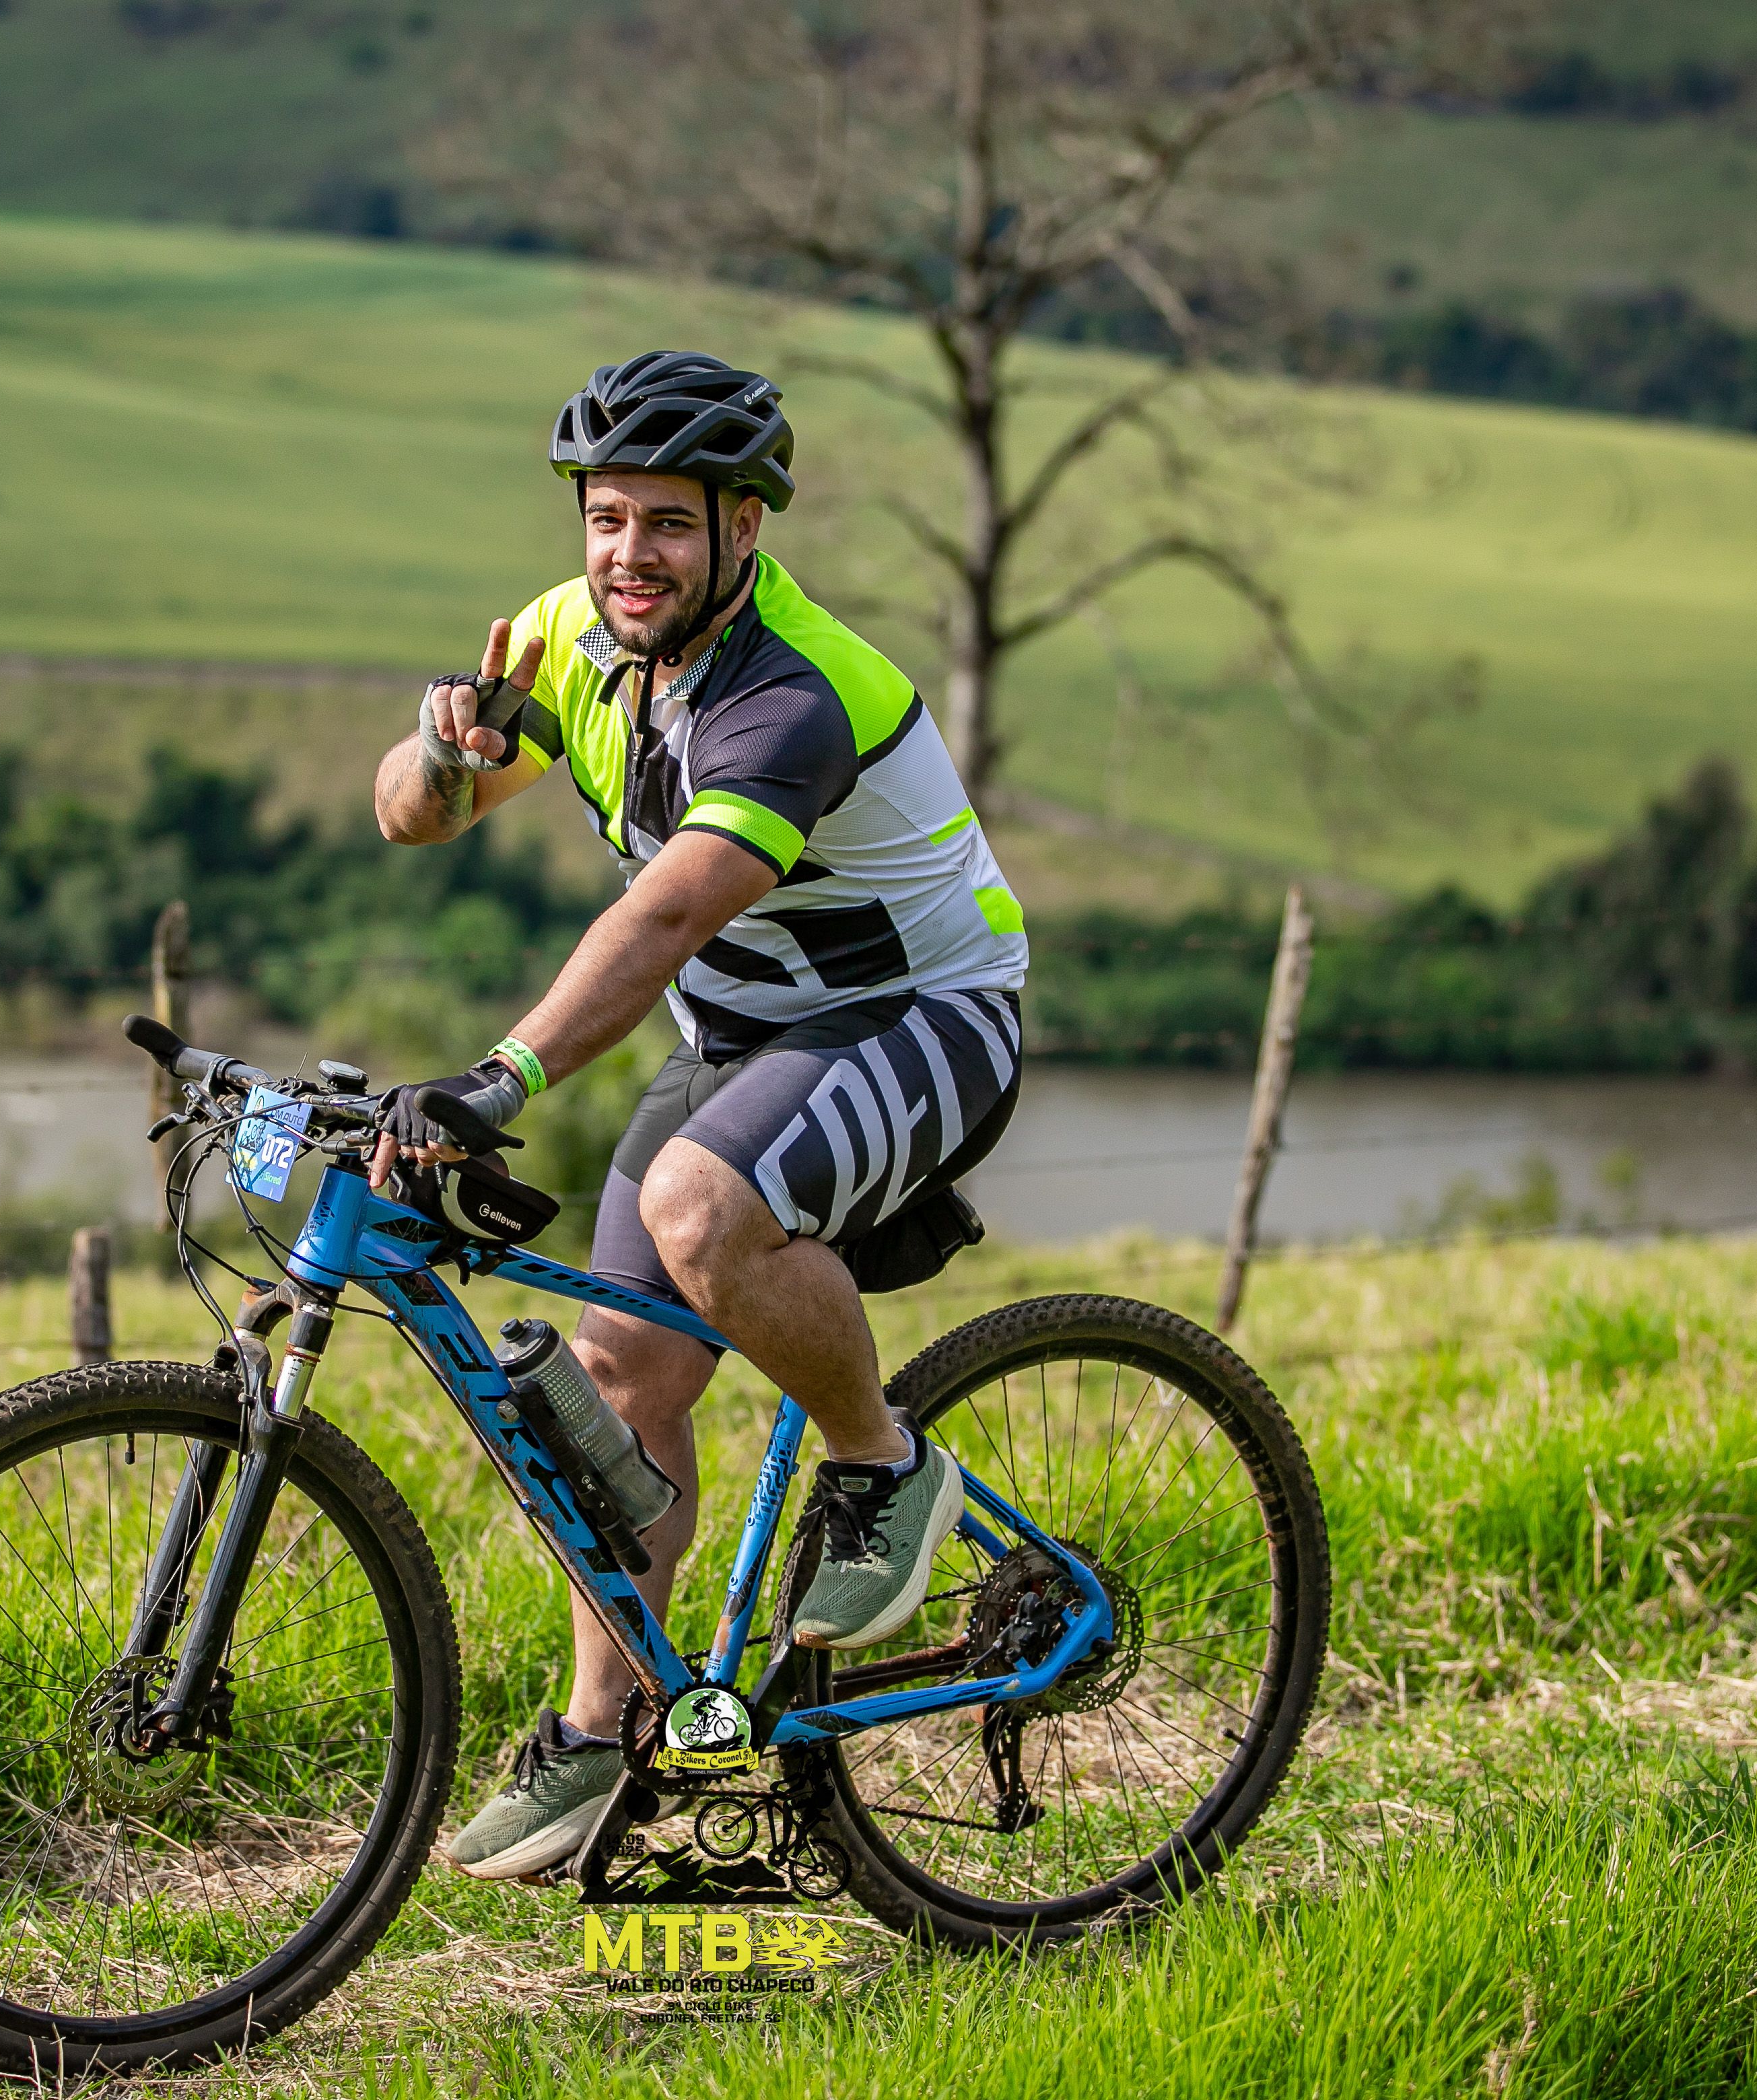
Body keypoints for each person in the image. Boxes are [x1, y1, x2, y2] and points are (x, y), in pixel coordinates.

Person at [368, 351, 1029, 1881]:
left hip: (923, 1015)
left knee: (697, 1207)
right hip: (743, 1036)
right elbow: (410, 817)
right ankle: (602, 1740)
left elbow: (665, 917)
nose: (630, 553)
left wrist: (502, 1078)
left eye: (669, 522)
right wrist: (448, 749)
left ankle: (885, 1465)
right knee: (618, 1376)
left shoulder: (792, 695)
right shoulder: (573, 640)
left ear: (744, 529)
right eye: (607, 517)